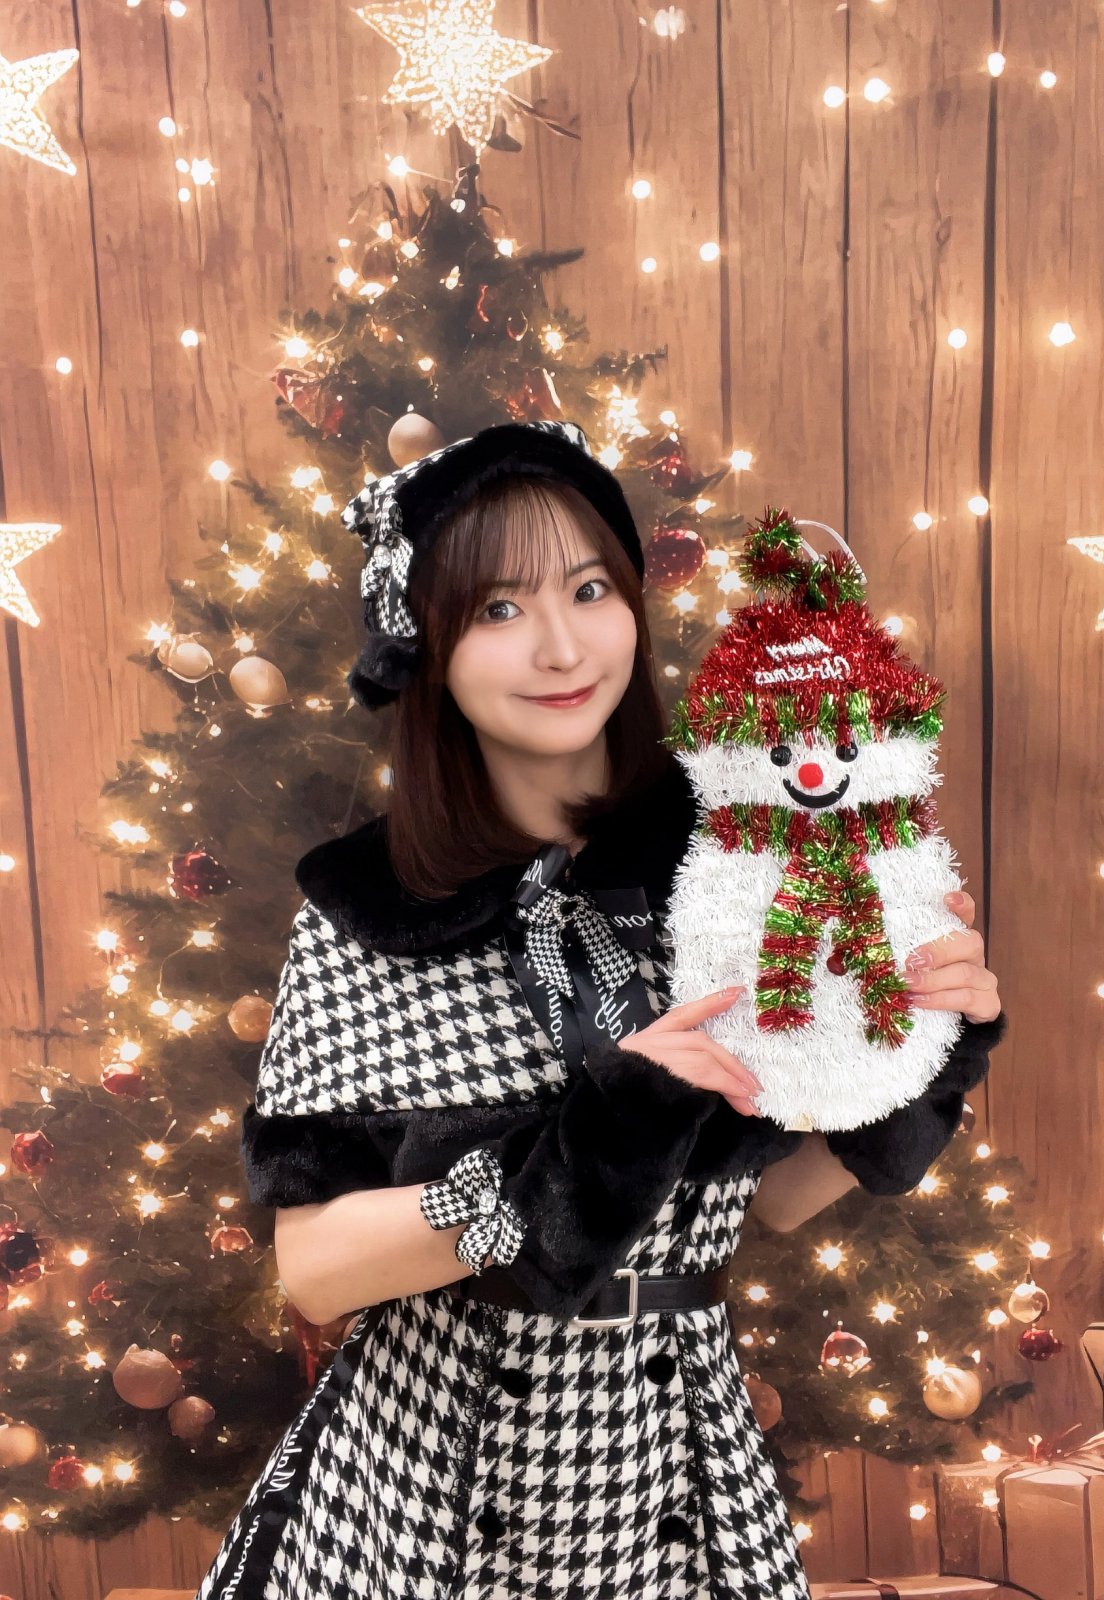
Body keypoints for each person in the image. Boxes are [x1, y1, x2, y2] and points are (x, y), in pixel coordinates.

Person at [193, 419, 1005, 1600]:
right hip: (426, 1486)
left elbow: (776, 1198)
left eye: (588, 589)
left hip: (676, 1463)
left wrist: (927, 1050)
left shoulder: (741, 867)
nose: (563, 646)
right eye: (499, 609)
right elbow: (315, 1271)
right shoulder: (367, 911)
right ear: (427, 643)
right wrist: (579, 1152)